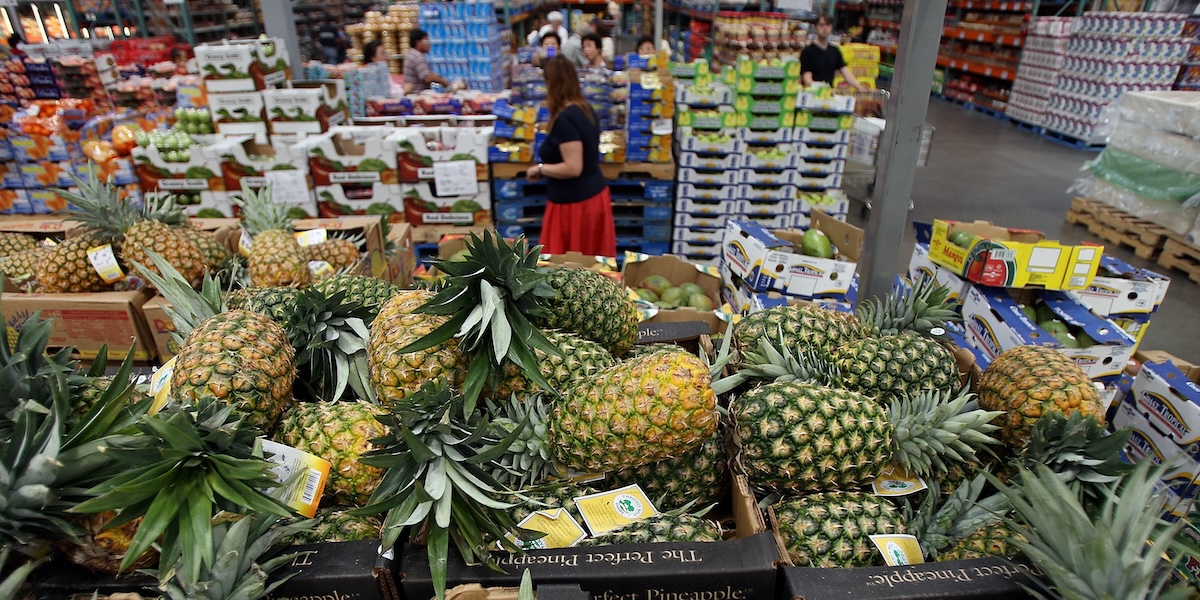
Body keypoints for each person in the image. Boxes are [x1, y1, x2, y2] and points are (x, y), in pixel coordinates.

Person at [528, 55, 615, 258]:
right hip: (591, 197)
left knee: (565, 268)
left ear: (553, 84)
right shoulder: (585, 109)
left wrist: (539, 169)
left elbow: (573, 167)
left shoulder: (565, 119)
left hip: (575, 207)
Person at [800, 15, 864, 91]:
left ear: (831, 28)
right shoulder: (808, 51)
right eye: (821, 25)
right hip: (811, 95)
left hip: (829, 96)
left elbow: (845, 72)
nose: (825, 28)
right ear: (815, 28)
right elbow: (807, 80)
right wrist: (825, 89)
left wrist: (859, 87)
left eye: (828, 25)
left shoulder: (835, 50)